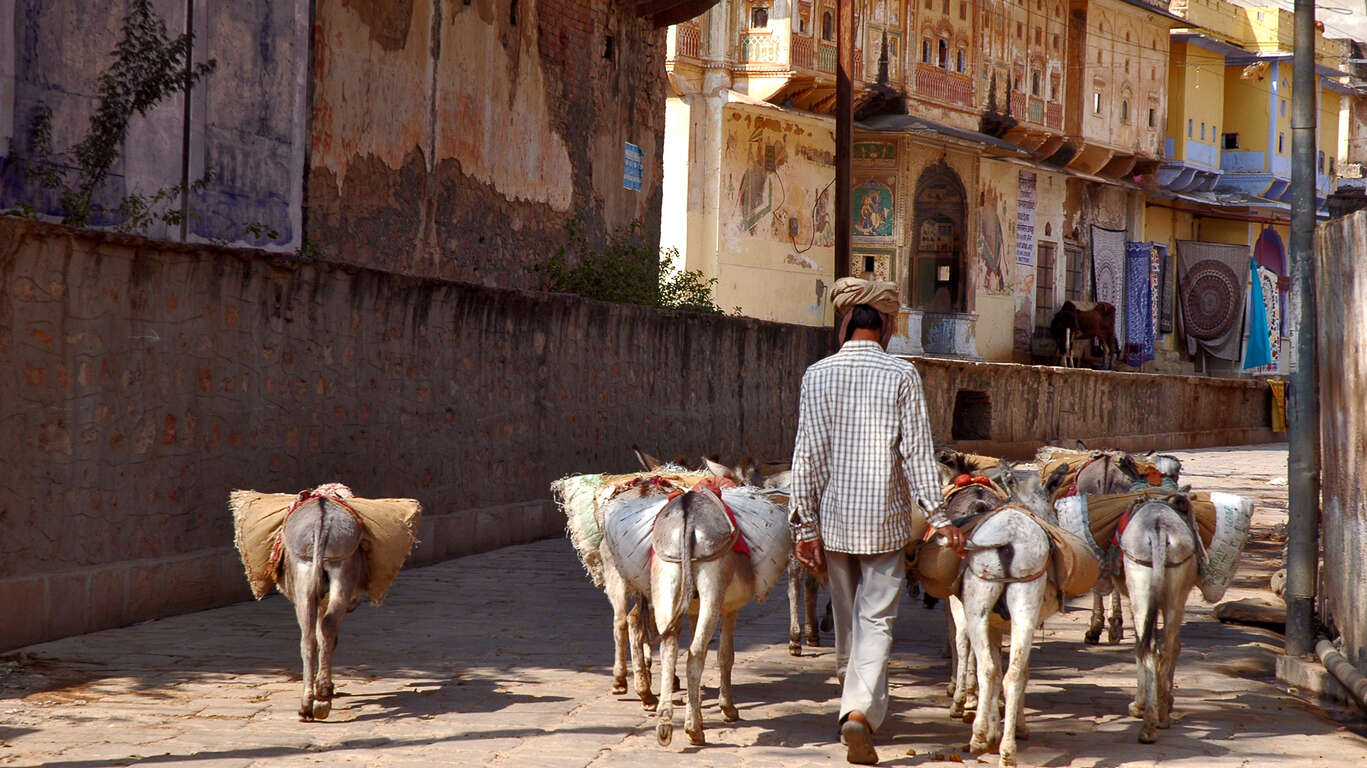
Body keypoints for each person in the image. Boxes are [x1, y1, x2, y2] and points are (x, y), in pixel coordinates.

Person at [788, 277, 965, 765]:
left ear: (845, 322)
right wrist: (939, 516)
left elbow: (808, 458)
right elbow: (916, 457)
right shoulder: (901, 375)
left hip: (836, 524)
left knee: (847, 619)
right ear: (886, 325)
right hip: (884, 524)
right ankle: (859, 711)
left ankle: (853, 702)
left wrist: (804, 527)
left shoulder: (816, 375)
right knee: (878, 621)